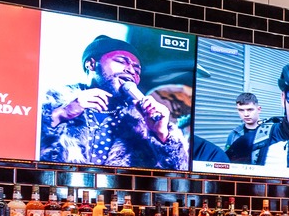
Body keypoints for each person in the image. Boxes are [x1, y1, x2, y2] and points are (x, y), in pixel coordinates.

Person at [39, 35, 190, 170]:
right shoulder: (55, 102)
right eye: (121, 61)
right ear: (91, 65)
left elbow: (178, 174)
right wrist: (61, 114)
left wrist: (162, 133)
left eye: (137, 70)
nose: (131, 70)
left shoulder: (141, 120)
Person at [222, 92, 265, 161]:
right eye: (241, 110)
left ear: (259, 109)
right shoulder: (234, 134)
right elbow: (227, 159)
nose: (246, 114)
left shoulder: (271, 131)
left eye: (250, 110)